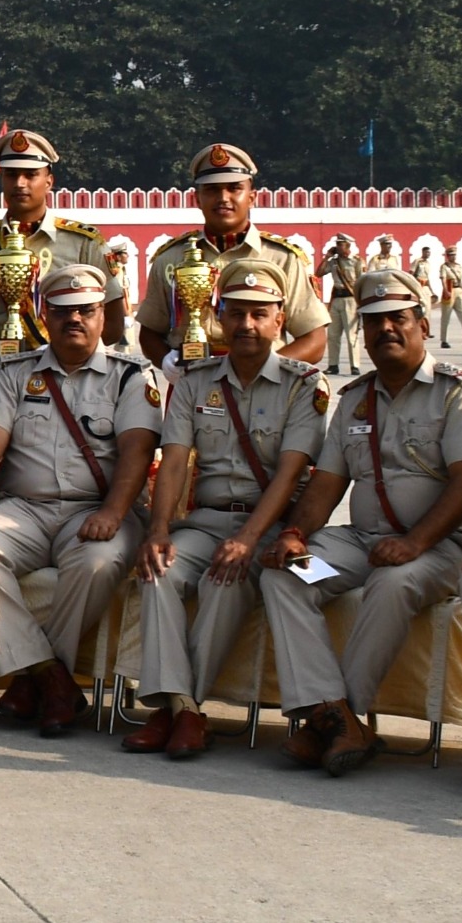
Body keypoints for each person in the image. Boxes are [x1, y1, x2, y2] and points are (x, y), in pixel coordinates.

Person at [259, 269, 462, 777]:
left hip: (439, 549)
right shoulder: (355, 399)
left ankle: (342, 717)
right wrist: (296, 534)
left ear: (422, 325)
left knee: (393, 582)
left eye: (398, 319)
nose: (386, 328)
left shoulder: (459, 393)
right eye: (374, 321)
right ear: (361, 331)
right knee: (287, 574)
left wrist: (414, 543)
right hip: (360, 546)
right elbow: (326, 484)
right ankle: (333, 715)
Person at [0, 264, 159, 736]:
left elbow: (137, 454)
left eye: (85, 310)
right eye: (62, 312)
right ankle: (50, 676)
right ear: (44, 314)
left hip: (96, 509)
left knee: (98, 562)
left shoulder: (131, 376)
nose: (74, 320)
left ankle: (34, 678)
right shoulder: (18, 372)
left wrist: (112, 513)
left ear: (103, 315)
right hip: (24, 508)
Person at [126, 259, 329, 759]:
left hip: (275, 526)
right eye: (236, 314)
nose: (247, 326)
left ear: (280, 319)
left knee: (225, 580)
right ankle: (187, 711)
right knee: (158, 571)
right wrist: (158, 529)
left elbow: (290, 473)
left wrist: (247, 539)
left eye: (260, 314)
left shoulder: (306, 384)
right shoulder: (195, 380)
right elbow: (173, 462)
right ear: (219, 316)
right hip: (208, 520)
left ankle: (175, 710)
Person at [0, 129, 123, 362]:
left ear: (49, 181)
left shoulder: (84, 242)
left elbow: (115, 323)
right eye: (11, 175)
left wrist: (72, 352)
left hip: (65, 375)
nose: (20, 183)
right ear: (1, 179)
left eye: (31, 174)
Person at [134, 144, 326, 366]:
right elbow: (149, 333)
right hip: (190, 387)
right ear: (197, 199)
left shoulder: (282, 259)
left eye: (234, 188)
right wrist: (167, 361)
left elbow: (315, 339)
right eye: (212, 190)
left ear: (252, 197)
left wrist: (267, 369)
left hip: (264, 391)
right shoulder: (171, 259)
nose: (223, 198)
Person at [323, 236, 363, 375]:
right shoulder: (333, 262)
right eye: (337, 244)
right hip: (336, 299)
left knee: (352, 335)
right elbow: (319, 273)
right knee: (333, 335)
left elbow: (361, 282)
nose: (338, 247)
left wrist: (361, 303)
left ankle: (355, 365)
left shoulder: (356, 261)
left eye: (341, 244)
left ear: (347, 246)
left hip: (350, 300)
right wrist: (327, 257)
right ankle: (333, 365)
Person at [436, 243, 462, 349]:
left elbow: (460, 280)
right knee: (446, 317)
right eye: (451, 255)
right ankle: (444, 340)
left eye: (454, 255)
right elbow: (443, 280)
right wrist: (446, 291)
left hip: (458, 290)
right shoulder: (444, 267)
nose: (453, 257)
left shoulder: (458, 266)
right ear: (447, 256)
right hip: (450, 291)